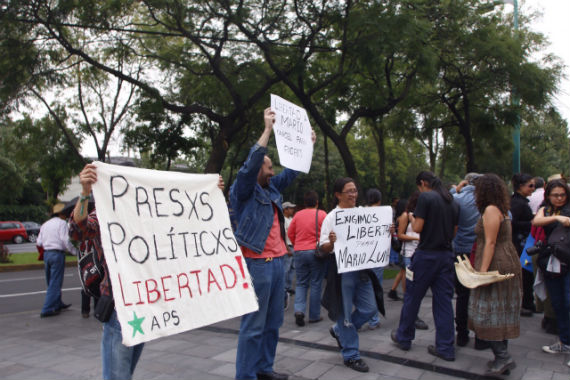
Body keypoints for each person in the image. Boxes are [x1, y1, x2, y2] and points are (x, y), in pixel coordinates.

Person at [70, 163, 224, 380]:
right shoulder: (106, 213)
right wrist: (85, 192)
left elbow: (187, 225)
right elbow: (78, 230)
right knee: (117, 375)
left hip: (143, 305)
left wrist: (206, 191)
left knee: (125, 372)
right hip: (119, 307)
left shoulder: (150, 214)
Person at [231, 108, 315, 380]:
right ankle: (246, 375)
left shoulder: (272, 189)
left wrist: (307, 146)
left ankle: (264, 370)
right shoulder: (244, 189)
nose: (272, 170)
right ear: (257, 169)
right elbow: (250, 165)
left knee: (273, 323)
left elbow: (292, 172)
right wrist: (267, 129)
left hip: (278, 264)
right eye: (268, 166)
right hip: (258, 265)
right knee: (254, 325)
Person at [391, 171, 459, 361]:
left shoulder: (426, 198)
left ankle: (404, 337)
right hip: (446, 256)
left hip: (426, 255)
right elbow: (454, 232)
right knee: (444, 302)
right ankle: (445, 348)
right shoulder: (453, 202)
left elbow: (418, 228)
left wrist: (412, 218)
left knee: (412, 297)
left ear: (422, 183)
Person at [320, 177, 381, 373]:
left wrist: (385, 231)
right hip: (342, 272)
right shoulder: (331, 218)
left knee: (370, 309)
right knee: (345, 314)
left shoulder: (363, 213)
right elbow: (323, 248)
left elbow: (374, 235)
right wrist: (331, 242)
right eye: (349, 191)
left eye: (355, 190)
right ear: (338, 194)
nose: (353, 194)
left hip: (362, 271)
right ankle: (351, 355)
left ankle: (340, 331)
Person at [468, 174, 522, 377]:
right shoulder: (502, 209)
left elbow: (490, 242)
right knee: (500, 311)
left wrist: (481, 273)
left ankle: (503, 357)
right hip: (505, 259)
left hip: (496, 262)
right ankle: (502, 356)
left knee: (487, 312)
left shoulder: (491, 210)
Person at [532, 179, 570, 355]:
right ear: (548, 195)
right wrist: (556, 217)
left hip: (568, 261)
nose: (560, 198)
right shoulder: (545, 210)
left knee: (568, 302)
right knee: (558, 303)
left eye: (563, 194)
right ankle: (564, 341)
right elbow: (536, 222)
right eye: (555, 195)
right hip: (552, 261)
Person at [450, 173, 481, 347]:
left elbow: (448, 196)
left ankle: (462, 333)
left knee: (462, 294)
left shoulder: (458, 198)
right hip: (480, 250)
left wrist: (458, 186)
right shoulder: (486, 200)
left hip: (461, 249)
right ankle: (481, 336)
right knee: (480, 294)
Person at [287, 191, 327, 326]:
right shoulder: (322, 214)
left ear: (304, 203)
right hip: (316, 252)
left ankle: (299, 310)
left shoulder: (297, 215)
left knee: (301, 283)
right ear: (317, 202)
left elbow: (290, 233)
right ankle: (314, 315)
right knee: (316, 283)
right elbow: (328, 233)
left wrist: (296, 244)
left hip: (299, 251)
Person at [38, 203, 75, 318]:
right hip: (57, 254)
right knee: (55, 282)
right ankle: (47, 308)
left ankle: (57, 303)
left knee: (51, 281)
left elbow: (39, 242)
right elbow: (65, 240)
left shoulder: (45, 224)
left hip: (47, 254)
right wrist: (75, 252)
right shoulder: (62, 223)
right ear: (61, 214)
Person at [510, 173, 536, 316]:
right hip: (520, 243)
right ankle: (526, 302)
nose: (533, 188)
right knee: (525, 274)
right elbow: (513, 223)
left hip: (521, 242)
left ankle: (527, 302)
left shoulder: (519, 202)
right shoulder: (518, 203)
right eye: (530, 185)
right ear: (521, 186)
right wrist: (530, 223)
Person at [282, 201, 296, 310]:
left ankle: (287, 287)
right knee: (286, 269)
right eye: (290, 208)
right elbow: (282, 236)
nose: (292, 210)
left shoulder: (291, 220)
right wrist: (286, 248)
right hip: (288, 246)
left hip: (294, 246)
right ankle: (283, 290)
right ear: (285, 209)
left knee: (292, 268)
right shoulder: (283, 220)